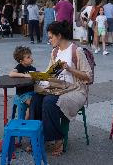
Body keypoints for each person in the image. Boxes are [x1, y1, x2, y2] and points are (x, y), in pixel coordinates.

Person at [30, 21, 93, 156]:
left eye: (51, 37)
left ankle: (58, 139)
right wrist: (38, 77)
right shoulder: (54, 52)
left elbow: (88, 77)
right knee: (35, 98)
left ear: (59, 36)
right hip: (57, 86)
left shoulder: (76, 51)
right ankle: (37, 136)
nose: (49, 40)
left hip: (75, 89)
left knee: (49, 101)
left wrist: (70, 69)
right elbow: (48, 73)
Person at [9, 46, 36, 120]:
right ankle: (25, 120)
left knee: (40, 101)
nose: (31, 58)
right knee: (33, 104)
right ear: (21, 61)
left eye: (30, 56)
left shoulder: (32, 68)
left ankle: (30, 119)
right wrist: (24, 75)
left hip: (32, 92)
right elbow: (11, 74)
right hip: (23, 94)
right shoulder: (19, 67)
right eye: (28, 57)